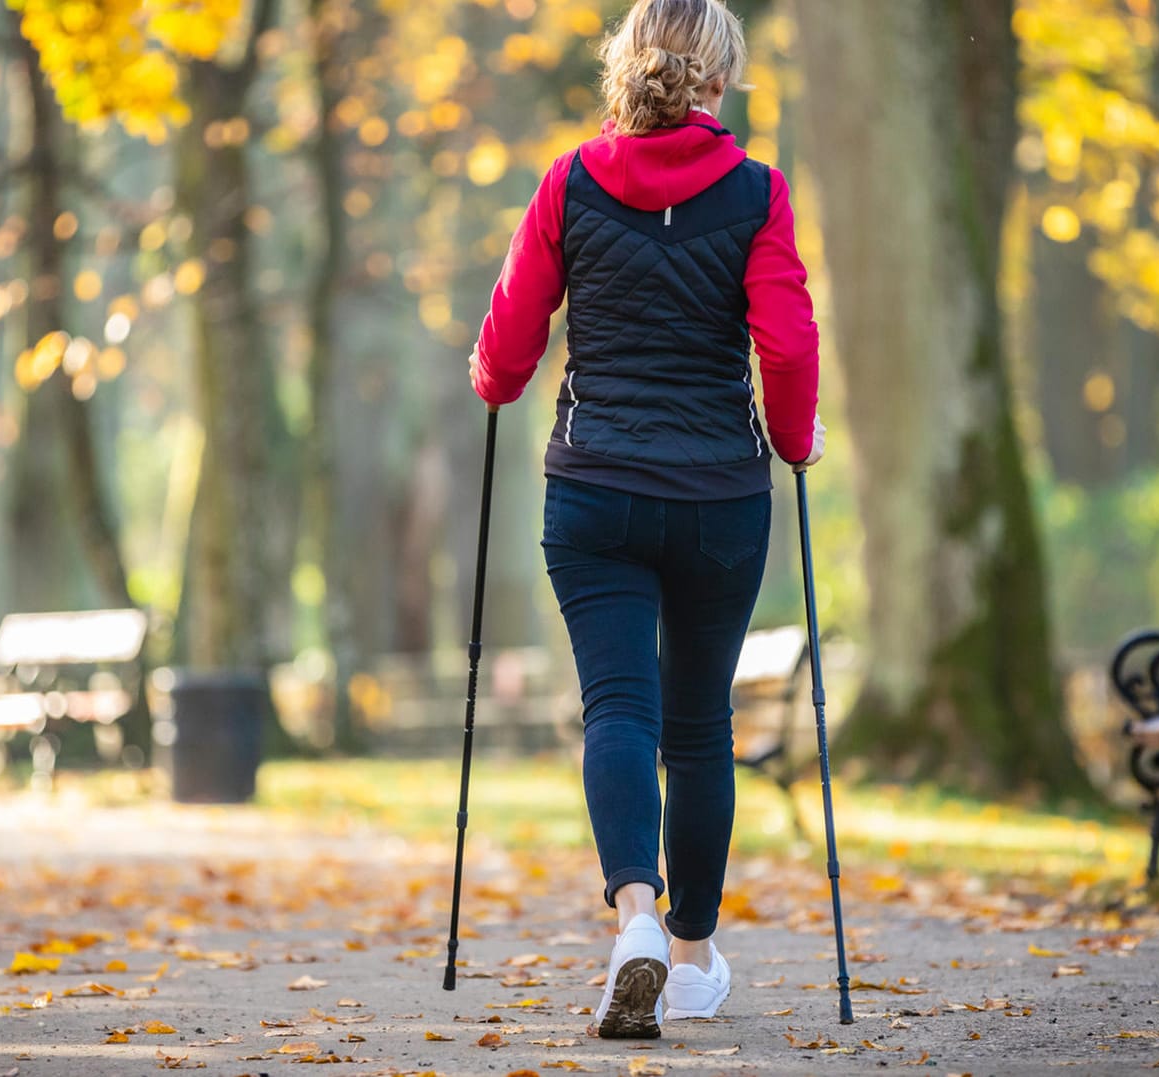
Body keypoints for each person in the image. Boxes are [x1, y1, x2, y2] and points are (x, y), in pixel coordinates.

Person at [469, 0, 824, 1040]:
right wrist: (795, 441)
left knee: (617, 709)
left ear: (626, 69)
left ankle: (635, 915)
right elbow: (789, 346)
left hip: (596, 491)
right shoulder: (758, 193)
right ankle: (695, 951)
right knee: (700, 724)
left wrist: (496, 380)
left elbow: (511, 335)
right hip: (718, 497)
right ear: (720, 80)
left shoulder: (571, 181)